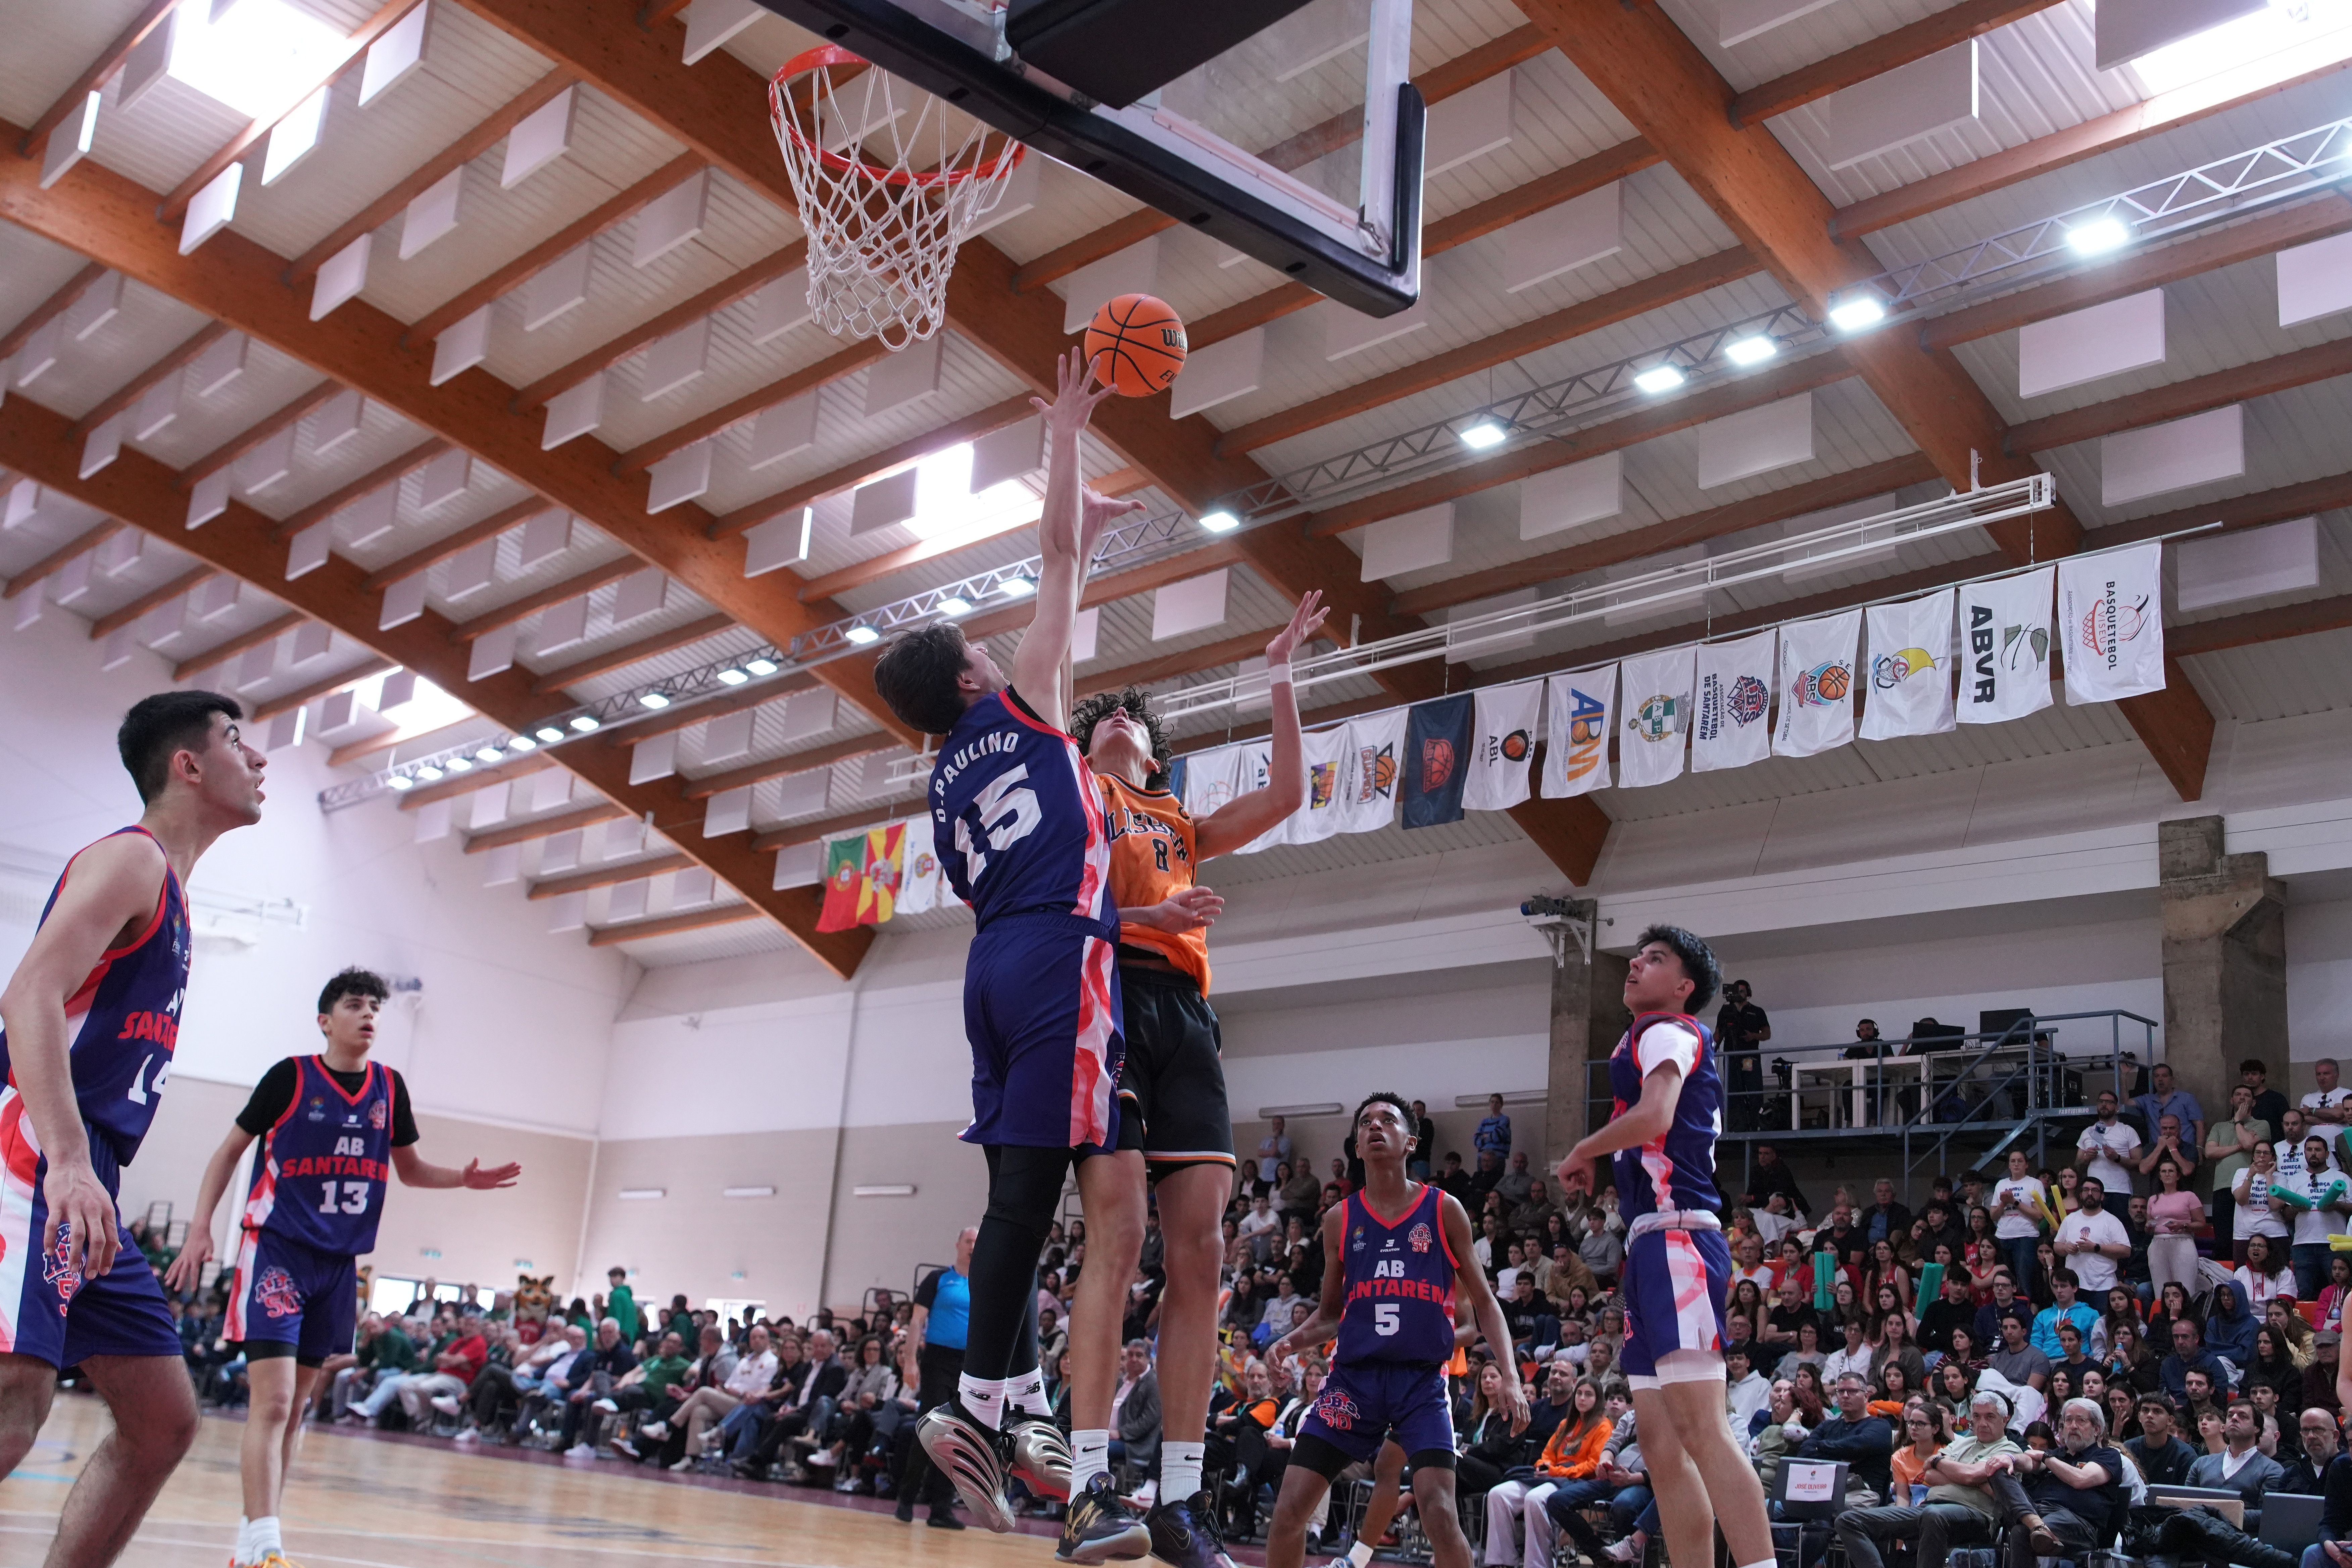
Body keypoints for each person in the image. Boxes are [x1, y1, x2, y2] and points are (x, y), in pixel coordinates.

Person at [882, 349, 1143, 1555]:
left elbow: (1063, 560)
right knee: (1043, 1202)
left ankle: (1015, 1398)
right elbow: (1057, 568)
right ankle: (980, 1407)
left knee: (1013, 1196)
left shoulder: (942, 775)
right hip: (1053, 961)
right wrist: (1066, 440)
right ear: (976, 672)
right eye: (987, 644)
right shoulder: (1026, 703)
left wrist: (1078, 518)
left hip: (989, 968)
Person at [1072, 589, 1329, 1566]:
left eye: (1128, 715)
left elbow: (1286, 796)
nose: (1114, 716)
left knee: (1203, 1256)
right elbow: (1051, 909)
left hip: (1185, 1019)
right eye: (1099, 714)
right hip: (1108, 1002)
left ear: (1154, 750)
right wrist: (1146, 923)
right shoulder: (1077, 797)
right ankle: (1090, 1486)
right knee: (1119, 1233)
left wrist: (1278, 675)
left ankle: (1176, 1499)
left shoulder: (1175, 819)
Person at [0, 692, 266, 1568]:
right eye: (237, 739)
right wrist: (69, 1159)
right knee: (14, 1397)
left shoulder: (177, 897)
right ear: (187, 765)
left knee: (162, 1421)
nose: (258, 758)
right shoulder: (131, 860)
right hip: (37, 1152)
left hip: (91, 1178)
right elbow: (28, 994)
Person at [164, 967, 521, 1568]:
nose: (369, 1015)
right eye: (355, 1005)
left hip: (339, 1267)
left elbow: (409, 1169)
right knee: (273, 1403)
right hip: (277, 1249)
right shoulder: (290, 1076)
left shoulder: (389, 1086)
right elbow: (229, 1150)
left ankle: (254, 1537)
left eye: (376, 1008)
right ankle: (266, 1545)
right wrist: (201, 1227)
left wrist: (461, 1176)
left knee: (297, 1407)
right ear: (326, 1020)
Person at [1555, 927, 1777, 1568]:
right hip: (1650, 1243)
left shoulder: (1668, 1028)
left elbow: (1655, 1116)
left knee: (1702, 1430)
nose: (1635, 964)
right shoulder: (1638, 1036)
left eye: (1655, 959)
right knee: (1658, 1442)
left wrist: (1582, 1148)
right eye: (1636, 954)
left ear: (1684, 987)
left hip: (1679, 1235)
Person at [1261, 1094, 1523, 1568]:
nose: (1376, 1127)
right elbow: (1330, 1315)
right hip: (1353, 1381)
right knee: (1289, 1511)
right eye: (1366, 1122)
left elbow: (1485, 1303)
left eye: (1388, 1120)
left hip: (1421, 1383)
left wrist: (1512, 1376)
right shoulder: (1340, 1219)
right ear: (1357, 1146)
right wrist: (1287, 1343)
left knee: (1440, 1513)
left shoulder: (1444, 1210)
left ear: (1411, 1142)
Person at [1834, 1388, 2020, 1568]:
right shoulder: (1962, 1444)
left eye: (1990, 1417)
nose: (1982, 1423)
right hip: (1929, 1507)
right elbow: (1929, 1473)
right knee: (1848, 1521)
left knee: (1934, 1517)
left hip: (1976, 1515)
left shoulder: (2009, 1450)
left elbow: (1969, 1475)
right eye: (1977, 1417)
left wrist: (1952, 1469)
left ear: (2005, 1420)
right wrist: (1968, 1477)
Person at [1983, 1398, 2126, 1568]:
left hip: (2078, 1523)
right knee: (1998, 1468)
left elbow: (2080, 1479)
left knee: (2021, 1532)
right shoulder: (2056, 1455)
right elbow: (2029, 1462)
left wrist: (2046, 1457)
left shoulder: (2108, 1455)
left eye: (2081, 1421)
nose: (2073, 1426)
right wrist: (2010, 1458)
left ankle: (2036, 1526)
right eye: (2068, 1420)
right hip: (2039, 1512)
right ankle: (2036, 1524)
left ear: (2097, 1430)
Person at [895, 1228, 975, 1529]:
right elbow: (917, 1321)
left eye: (978, 1243)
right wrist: (910, 1360)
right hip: (937, 1360)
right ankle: (907, 1495)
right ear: (958, 1245)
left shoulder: (985, 1283)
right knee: (933, 1428)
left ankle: (940, 1507)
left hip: (969, 1365)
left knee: (958, 1435)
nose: (973, 1247)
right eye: (969, 1241)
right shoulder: (939, 1279)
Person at [2052, 1180, 2130, 1296]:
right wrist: (2066, 1248)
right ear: (2081, 1195)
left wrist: (2096, 1248)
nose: (2090, 1194)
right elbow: (2057, 1245)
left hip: (2103, 1286)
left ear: (2102, 1196)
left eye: (2095, 1190)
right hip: (2074, 1286)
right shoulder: (2070, 1219)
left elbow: (2126, 1251)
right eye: (2086, 1190)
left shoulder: (2112, 1221)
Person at [1715, 980, 1768, 1133]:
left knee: (1753, 1093)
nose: (1740, 994)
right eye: (1737, 991)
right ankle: (1735, 1128)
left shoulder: (1757, 1011)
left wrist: (1753, 1036)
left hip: (1749, 1058)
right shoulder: (1726, 1011)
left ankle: (1755, 1127)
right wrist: (1710, 1050)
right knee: (1732, 1093)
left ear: (1749, 993)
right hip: (1731, 1058)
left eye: (1743, 991)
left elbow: (1767, 1034)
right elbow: (1718, 1034)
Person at [1991, 1150, 2047, 1297]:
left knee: (2024, 1280)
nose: (2016, 1164)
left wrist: (2015, 1202)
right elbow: (1993, 1215)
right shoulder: (2001, 1184)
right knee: (2004, 1280)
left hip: (2026, 1236)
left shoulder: (2035, 1184)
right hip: (2003, 1236)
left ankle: (2026, 1310)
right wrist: (2004, 1203)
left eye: (2020, 1161)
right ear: (2009, 1165)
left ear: (2027, 1165)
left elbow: (2039, 1215)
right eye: (2013, 1161)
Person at [2076, 1094, 2143, 1196]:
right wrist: (2086, 1158)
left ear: (2117, 1108)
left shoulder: (2128, 1131)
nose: (2104, 1105)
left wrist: (2118, 1158)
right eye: (2101, 1102)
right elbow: (2077, 1166)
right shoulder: (2087, 1132)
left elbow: (2140, 1165)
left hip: (2120, 1191)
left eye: (2109, 1102)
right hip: (2093, 1192)